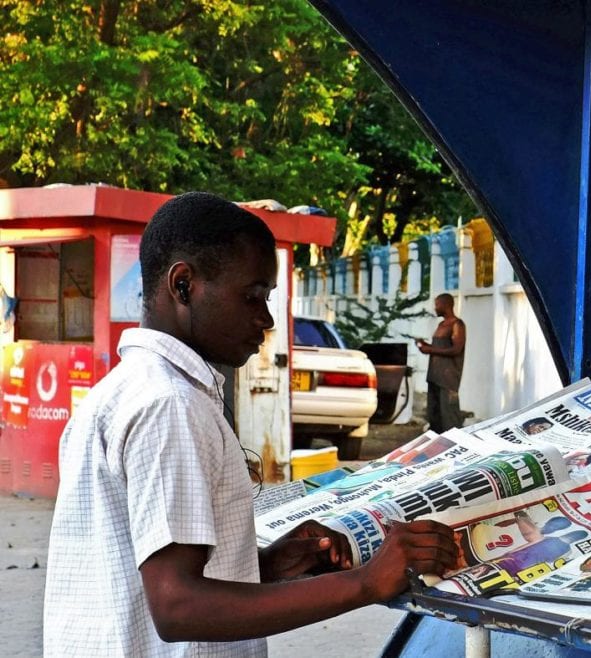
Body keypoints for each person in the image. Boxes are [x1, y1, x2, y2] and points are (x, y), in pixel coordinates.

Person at [44, 192, 456, 656]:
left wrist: (265, 563)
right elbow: (177, 605)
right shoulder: (170, 405)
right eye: (253, 296)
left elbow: (140, 573)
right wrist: (365, 583)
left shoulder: (126, 390)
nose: (264, 319)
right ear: (184, 286)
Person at [416, 292, 466, 433]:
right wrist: (424, 345)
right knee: (434, 416)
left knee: (449, 417)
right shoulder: (441, 325)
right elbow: (438, 347)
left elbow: (456, 349)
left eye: (437, 304)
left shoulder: (457, 324)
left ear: (446, 305)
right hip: (434, 377)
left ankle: (455, 446)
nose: (435, 308)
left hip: (448, 379)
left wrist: (430, 350)